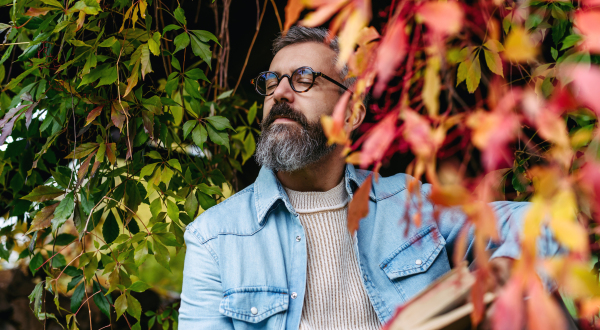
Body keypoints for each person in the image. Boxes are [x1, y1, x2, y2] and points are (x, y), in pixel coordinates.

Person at [178, 26, 560, 330]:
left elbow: (540, 222)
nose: (280, 93)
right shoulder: (214, 239)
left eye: (303, 78)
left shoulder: (411, 204)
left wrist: (504, 269)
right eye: (272, 81)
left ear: (351, 114)